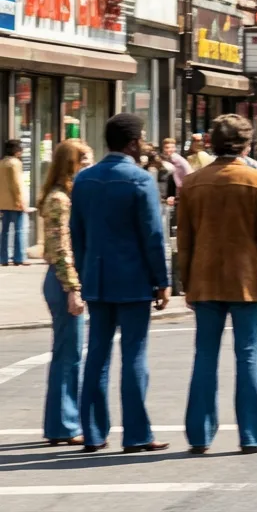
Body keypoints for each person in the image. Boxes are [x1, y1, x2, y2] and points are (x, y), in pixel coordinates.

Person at [178, 114, 257, 455]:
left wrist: (186, 282)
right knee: (248, 356)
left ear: (211, 143)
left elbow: (185, 240)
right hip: (247, 281)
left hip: (205, 279)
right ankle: (252, 435)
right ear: (246, 145)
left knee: (204, 357)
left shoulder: (193, 182)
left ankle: (199, 435)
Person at [71, 114, 170, 453]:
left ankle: (94, 433)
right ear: (131, 143)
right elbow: (153, 236)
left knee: (96, 356)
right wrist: (162, 281)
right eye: (141, 138)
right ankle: (137, 434)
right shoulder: (139, 180)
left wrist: (84, 276)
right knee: (134, 356)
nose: (144, 144)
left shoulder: (84, 180)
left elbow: (77, 234)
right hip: (133, 280)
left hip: (97, 279)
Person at [39, 139, 93, 446]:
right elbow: (61, 249)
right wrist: (73, 289)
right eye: (83, 161)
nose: (88, 166)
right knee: (68, 355)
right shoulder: (60, 199)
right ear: (69, 163)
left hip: (61, 279)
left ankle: (60, 423)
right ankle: (64, 425)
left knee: (67, 352)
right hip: (62, 280)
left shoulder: (64, 195)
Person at [0, 138, 26, 265]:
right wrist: (20, 201)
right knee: (19, 230)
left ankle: (3, 258)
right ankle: (19, 257)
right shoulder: (15, 163)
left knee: (4, 232)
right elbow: (16, 184)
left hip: (3, 203)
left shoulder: (2, 162)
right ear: (15, 150)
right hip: (15, 203)